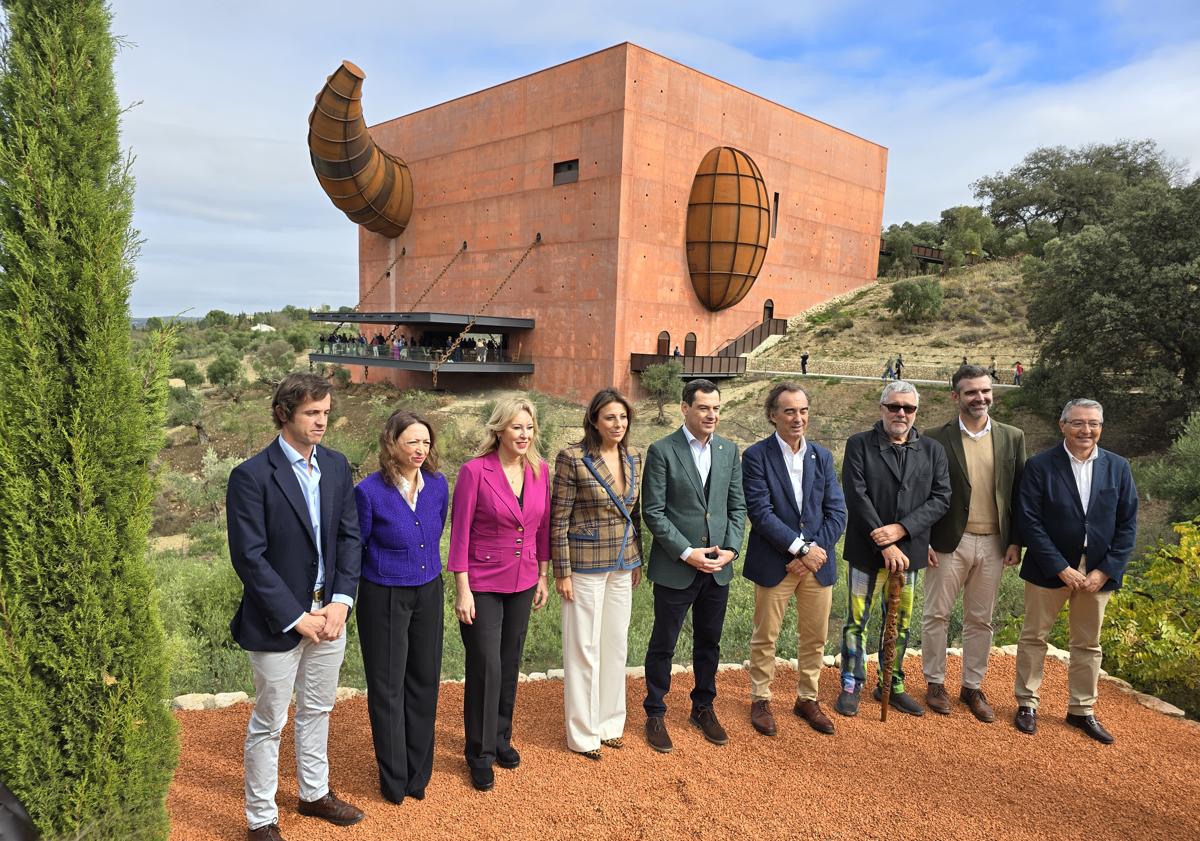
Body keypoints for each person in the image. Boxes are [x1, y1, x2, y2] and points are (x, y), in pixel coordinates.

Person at [226, 373, 364, 840]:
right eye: (312, 413)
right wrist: (296, 616)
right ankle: (261, 819)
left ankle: (313, 794)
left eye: (325, 412)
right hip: (277, 622)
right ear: (285, 414)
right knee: (270, 721)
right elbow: (249, 557)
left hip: (331, 615)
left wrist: (342, 601)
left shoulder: (338, 466)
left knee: (318, 710)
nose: (322, 421)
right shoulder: (250, 476)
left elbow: (349, 537)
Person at [1013, 399, 1137, 744]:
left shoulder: (1118, 467)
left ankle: (1081, 709)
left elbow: (1127, 525)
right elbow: (1030, 521)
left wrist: (1105, 570)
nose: (1087, 431)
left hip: (1098, 569)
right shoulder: (1039, 466)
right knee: (1034, 636)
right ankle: (1027, 703)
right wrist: (1061, 568)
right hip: (1049, 566)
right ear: (1062, 425)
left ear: (1101, 426)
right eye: (1079, 423)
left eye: (1094, 424)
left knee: (1088, 643)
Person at [448, 397, 551, 791]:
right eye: (516, 428)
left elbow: (541, 529)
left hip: (524, 579)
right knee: (486, 665)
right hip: (483, 582)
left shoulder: (540, 471)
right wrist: (463, 588)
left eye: (529, 427)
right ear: (499, 431)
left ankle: (500, 738)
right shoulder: (475, 472)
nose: (524, 435)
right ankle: (479, 753)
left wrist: (542, 574)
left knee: (509, 663)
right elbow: (459, 534)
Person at [641, 379, 747, 752]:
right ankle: (655, 712)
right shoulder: (662, 451)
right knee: (664, 644)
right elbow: (653, 512)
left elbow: (737, 507)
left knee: (709, 643)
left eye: (716, 408)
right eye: (704, 408)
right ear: (684, 408)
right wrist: (687, 552)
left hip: (718, 569)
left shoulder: (729, 450)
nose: (712, 415)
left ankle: (703, 707)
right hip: (678, 566)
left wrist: (732, 549)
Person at [838, 380, 951, 717]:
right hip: (866, 551)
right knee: (857, 620)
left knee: (900, 622)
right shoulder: (859, 445)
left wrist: (902, 530)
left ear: (916, 412)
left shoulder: (932, 450)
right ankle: (851, 682)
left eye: (909, 408)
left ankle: (891, 682)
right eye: (894, 406)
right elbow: (856, 496)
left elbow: (941, 497)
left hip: (911, 552)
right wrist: (884, 542)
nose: (901, 413)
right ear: (882, 408)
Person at [741, 384, 847, 736]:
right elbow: (760, 512)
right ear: (773, 415)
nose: (797, 418)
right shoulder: (756, 456)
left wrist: (812, 553)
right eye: (789, 411)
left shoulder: (822, 456)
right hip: (777, 563)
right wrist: (801, 550)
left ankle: (807, 698)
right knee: (765, 636)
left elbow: (837, 513)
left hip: (817, 565)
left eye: (802, 410)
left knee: (814, 637)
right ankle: (760, 698)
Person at [922, 365, 1026, 722]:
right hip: (949, 541)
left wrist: (1016, 541)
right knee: (936, 614)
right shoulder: (934, 438)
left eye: (985, 391)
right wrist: (923, 540)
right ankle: (935, 682)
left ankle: (972, 686)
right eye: (971, 392)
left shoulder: (1012, 437)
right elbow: (921, 495)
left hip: (996, 543)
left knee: (981, 619)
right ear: (956, 397)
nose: (980, 398)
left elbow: (1018, 494)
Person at [354, 410, 448, 804]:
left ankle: (417, 775)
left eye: (425, 442)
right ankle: (393, 780)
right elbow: (355, 547)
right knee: (388, 688)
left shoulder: (439, 485)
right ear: (391, 443)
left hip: (428, 592)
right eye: (412, 441)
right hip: (383, 596)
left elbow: (437, 527)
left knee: (424, 682)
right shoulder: (369, 492)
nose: (420, 449)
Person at [551, 389, 643, 759]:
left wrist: (637, 560)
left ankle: (609, 724)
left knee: (615, 646)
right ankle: (583, 733)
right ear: (594, 420)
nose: (617, 424)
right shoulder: (573, 458)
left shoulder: (634, 455)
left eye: (622, 418)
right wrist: (563, 572)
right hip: (584, 564)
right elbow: (558, 519)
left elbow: (633, 513)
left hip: (623, 563)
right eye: (610, 418)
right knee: (583, 648)